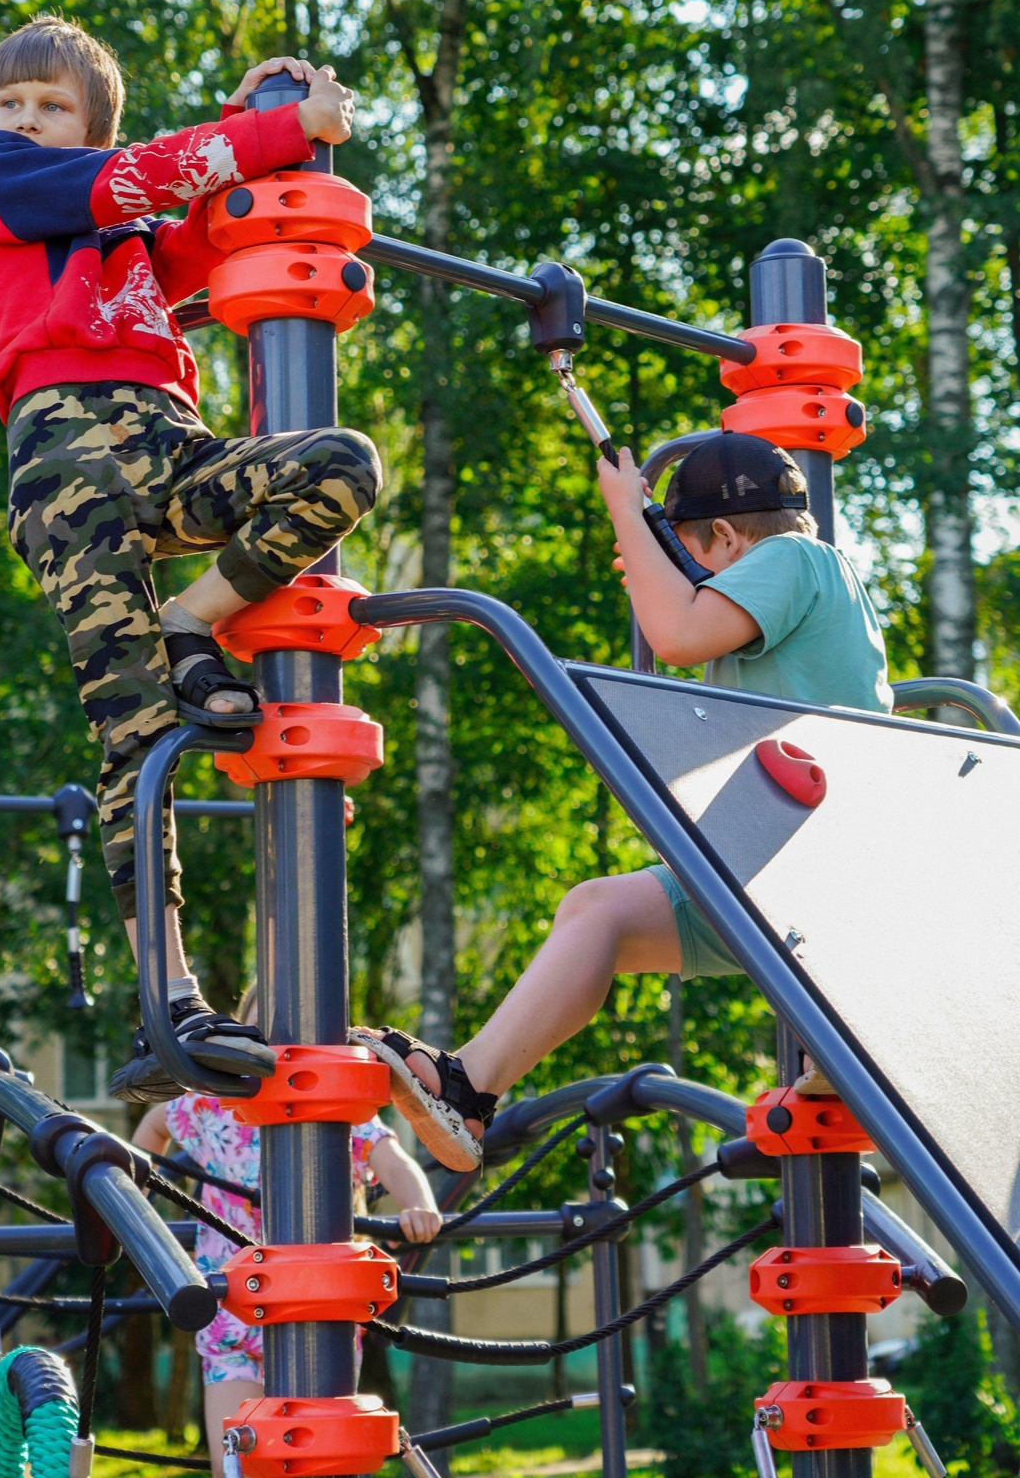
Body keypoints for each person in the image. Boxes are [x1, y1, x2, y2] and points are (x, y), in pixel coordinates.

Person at [0, 15, 381, 1101]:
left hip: (165, 443)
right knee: (139, 732)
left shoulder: (108, 238)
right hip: (67, 460)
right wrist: (277, 136)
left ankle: (194, 620)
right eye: (12, 105)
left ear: (86, 123)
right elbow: (139, 178)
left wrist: (256, 120)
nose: (24, 123)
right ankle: (169, 996)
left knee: (339, 464)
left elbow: (194, 235)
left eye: (51, 108)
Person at [352, 432, 893, 1170]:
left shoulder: (796, 559)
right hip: (766, 860)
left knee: (601, 908)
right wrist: (655, 563)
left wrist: (628, 519)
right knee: (596, 912)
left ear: (730, 536)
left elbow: (674, 636)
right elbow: (684, 623)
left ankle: (862, 1030)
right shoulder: (806, 580)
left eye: (698, 557)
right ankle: (470, 1089)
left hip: (811, 855)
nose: (697, 577)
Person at [132, 987, 441, 1478]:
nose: (282, 1050)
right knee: (235, 1461)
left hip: (322, 1314)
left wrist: (419, 1206)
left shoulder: (340, 1108)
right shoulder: (214, 1106)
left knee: (318, 1460)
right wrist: (137, 1199)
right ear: (242, 1042)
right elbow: (153, 1127)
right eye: (266, 1036)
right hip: (231, 1311)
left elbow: (395, 1159)